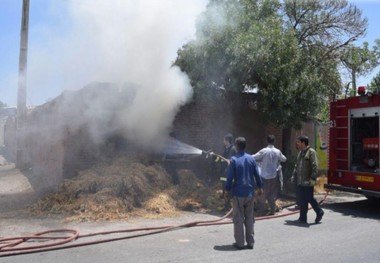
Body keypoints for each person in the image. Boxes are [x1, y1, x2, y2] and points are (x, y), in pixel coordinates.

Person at [225, 137, 263, 250]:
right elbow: (257, 174)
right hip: (250, 193)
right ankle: (250, 242)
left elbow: (230, 177)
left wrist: (227, 190)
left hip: (238, 194)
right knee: (250, 218)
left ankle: (240, 243)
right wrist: (260, 187)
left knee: (238, 218)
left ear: (236, 146)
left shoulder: (234, 159)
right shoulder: (251, 159)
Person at [291, 135, 324, 224]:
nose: (297, 143)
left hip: (308, 181)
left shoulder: (311, 152)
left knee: (309, 198)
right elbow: (296, 166)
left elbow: (315, 166)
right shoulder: (300, 153)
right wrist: (294, 175)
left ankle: (319, 212)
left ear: (303, 143)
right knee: (302, 199)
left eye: (298, 142)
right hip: (300, 181)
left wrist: (312, 179)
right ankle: (302, 218)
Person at [252, 134, 287, 215]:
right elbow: (284, 159)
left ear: (267, 141)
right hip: (273, 176)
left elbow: (254, 157)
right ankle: (272, 210)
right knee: (272, 193)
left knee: (262, 194)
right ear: (274, 141)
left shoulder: (264, 151)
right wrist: (278, 160)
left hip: (264, 176)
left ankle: (261, 211)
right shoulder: (278, 151)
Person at [215, 133, 236, 211]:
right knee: (225, 191)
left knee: (229, 192)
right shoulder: (226, 148)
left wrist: (219, 158)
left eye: (224, 140)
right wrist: (214, 157)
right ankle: (226, 206)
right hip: (224, 174)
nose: (223, 141)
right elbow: (221, 159)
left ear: (227, 141)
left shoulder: (232, 149)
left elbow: (228, 160)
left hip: (229, 174)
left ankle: (230, 208)